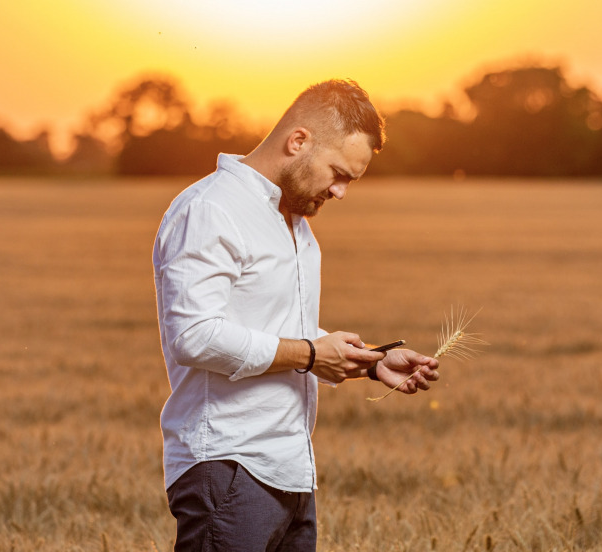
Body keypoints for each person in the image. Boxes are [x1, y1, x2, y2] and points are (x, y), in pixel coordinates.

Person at [153, 79, 440, 551]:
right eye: (339, 172)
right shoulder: (211, 209)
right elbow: (194, 335)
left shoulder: (295, 223)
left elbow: (282, 333)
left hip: (290, 469)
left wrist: (371, 362)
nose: (342, 192)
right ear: (299, 141)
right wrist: (310, 355)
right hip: (227, 466)